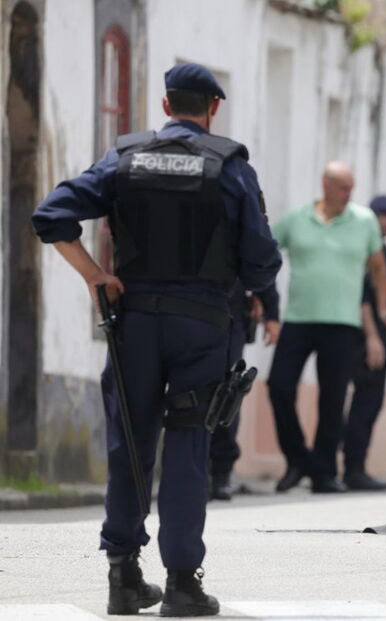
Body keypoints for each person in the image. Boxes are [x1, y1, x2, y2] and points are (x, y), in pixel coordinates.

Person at [31, 62, 282, 616]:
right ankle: (181, 586)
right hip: (202, 328)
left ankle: (123, 577)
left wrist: (96, 274)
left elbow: (51, 216)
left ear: (166, 106)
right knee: (189, 447)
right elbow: (263, 262)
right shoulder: (229, 166)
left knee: (130, 444)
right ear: (212, 109)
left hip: (135, 324)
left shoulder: (126, 158)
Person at [268, 162, 386, 495]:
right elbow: (265, 253)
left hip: (343, 323)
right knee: (278, 386)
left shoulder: (364, 221)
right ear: (325, 185)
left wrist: (380, 310)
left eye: (351, 188)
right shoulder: (296, 219)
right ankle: (298, 459)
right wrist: (259, 298)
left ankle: (323, 473)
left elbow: (379, 269)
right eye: (342, 187)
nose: (348, 194)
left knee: (332, 400)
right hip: (297, 319)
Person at [343, 195, 386, 491]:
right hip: (365, 336)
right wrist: (372, 337)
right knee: (365, 402)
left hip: (380, 331)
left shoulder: (383, 251)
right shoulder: (366, 252)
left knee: (371, 401)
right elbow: (362, 298)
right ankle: (353, 469)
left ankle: (356, 467)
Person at [209, 283, 280, 501]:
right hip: (193, 306)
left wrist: (270, 308)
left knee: (227, 392)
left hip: (227, 309)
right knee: (206, 390)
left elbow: (258, 257)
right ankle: (195, 472)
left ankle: (219, 473)